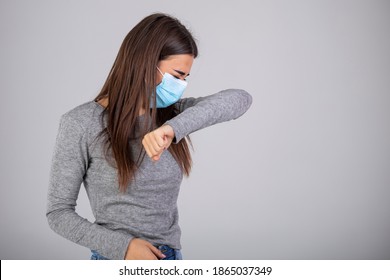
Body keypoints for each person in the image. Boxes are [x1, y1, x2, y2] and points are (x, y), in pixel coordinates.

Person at [46, 13, 252, 260]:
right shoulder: (81, 123)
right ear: (145, 63)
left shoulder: (172, 115)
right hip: (115, 260)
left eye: (186, 78)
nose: (181, 86)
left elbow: (240, 99)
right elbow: (58, 213)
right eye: (176, 76)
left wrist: (172, 128)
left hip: (170, 259)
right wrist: (124, 247)